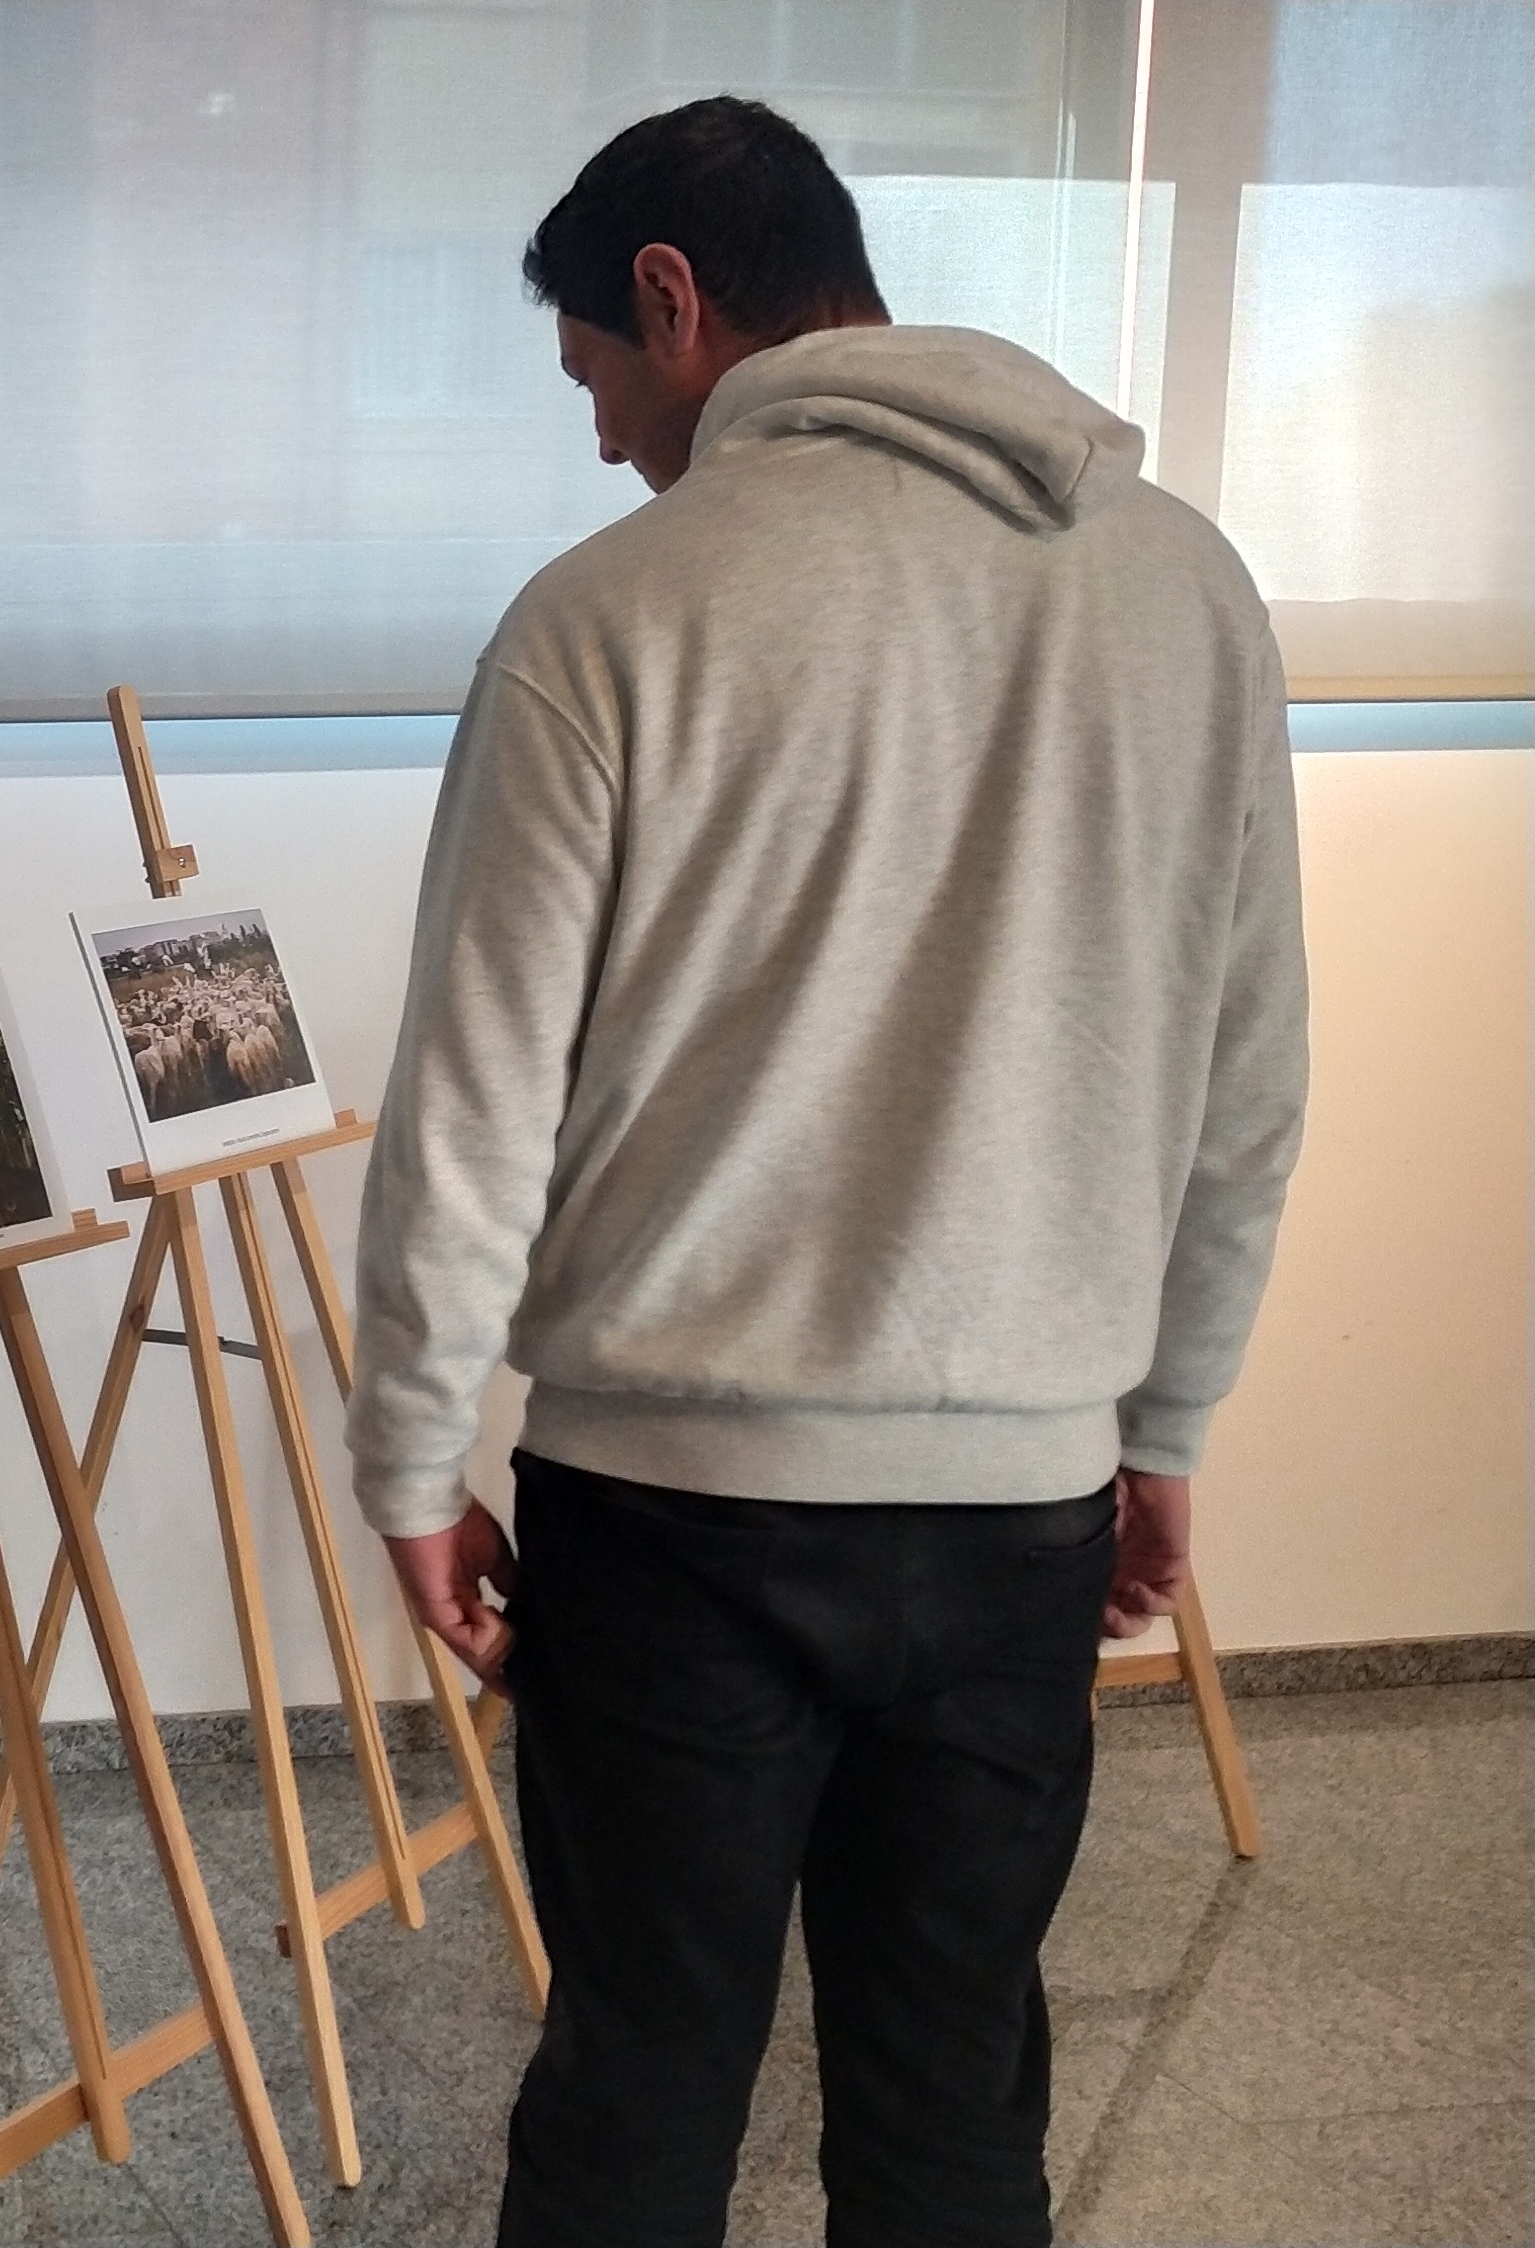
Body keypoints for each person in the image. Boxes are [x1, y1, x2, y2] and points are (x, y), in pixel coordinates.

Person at [345, 97, 1308, 2248]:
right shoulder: (1185, 589)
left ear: (673, 302)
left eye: (596, 373)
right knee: (950, 2095)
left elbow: (478, 1084)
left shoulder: (606, 612)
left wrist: (410, 1455)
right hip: (1020, 1510)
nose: (603, 437)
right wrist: (1160, 1416)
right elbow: (1246, 1074)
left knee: (634, 2094)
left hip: (673, 1512)